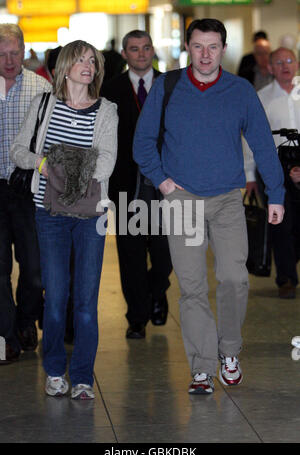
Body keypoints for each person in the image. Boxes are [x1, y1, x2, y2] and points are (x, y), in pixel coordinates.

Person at [133, 18, 285, 395]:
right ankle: (201, 367)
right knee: (192, 287)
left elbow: (264, 144)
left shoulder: (239, 91)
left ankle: (229, 352)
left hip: (227, 199)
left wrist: (276, 194)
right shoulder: (167, 87)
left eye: (213, 47)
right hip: (181, 200)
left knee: (234, 278)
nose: (205, 54)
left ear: (223, 48)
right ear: (188, 47)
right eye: (198, 46)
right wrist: (164, 182)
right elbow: (142, 142)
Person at [10, 40, 118, 399]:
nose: (88, 65)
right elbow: (19, 150)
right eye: (81, 59)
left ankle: (84, 377)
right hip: (49, 214)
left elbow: (106, 164)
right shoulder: (43, 105)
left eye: (93, 61)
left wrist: (60, 166)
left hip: (90, 217)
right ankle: (55, 370)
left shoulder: (107, 111)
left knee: (86, 301)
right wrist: (44, 164)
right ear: (65, 66)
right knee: (55, 297)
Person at [101, 30, 172, 340]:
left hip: (166, 183)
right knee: (131, 253)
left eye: (145, 48)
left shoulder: (171, 86)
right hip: (126, 184)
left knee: (164, 252)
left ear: (152, 50)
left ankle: (158, 290)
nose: (141, 54)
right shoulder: (110, 89)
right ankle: (137, 316)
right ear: (125, 53)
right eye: (134, 49)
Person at [0, 24, 52, 364]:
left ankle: (24, 321)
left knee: (34, 271)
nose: (8, 61)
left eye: (14, 53)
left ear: (24, 51)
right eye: (1, 54)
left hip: (27, 190)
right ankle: (7, 337)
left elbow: (53, 143)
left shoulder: (41, 88)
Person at [244, 47, 300, 299]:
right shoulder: (262, 97)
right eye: (279, 62)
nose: (285, 66)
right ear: (270, 68)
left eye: (289, 61)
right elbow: (250, 139)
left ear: (297, 64)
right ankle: (286, 277)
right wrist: (250, 175)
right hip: (273, 165)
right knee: (281, 225)